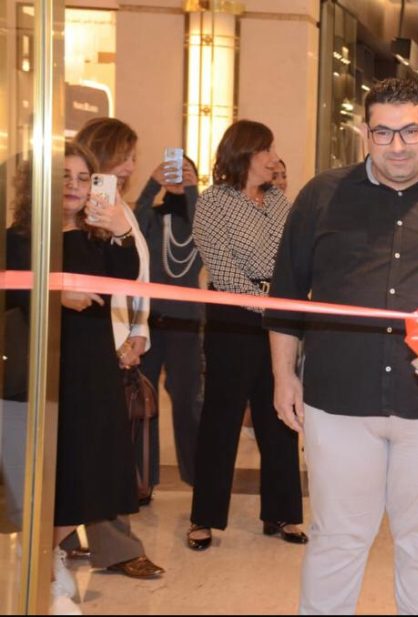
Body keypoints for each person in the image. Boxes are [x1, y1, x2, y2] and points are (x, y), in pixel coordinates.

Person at [266, 77, 418, 614]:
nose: (397, 146)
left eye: (410, 132)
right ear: (364, 133)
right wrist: (284, 376)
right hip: (338, 401)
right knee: (337, 538)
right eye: (383, 133)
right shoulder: (321, 196)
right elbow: (286, 293)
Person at [8, 144, 141, 614]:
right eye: (64, 176)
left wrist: (120, 228)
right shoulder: (19, 238)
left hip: (93, 370)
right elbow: (12, 293)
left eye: (84, 178)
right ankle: (44, 569)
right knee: (57, 473)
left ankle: (41, 553)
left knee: (98, 473)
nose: (74, 186)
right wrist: (55, 296)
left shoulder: (97, 238)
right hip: (41, 370)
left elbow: (127, 278)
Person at [187, 120, 304, 550]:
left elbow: (293, 257)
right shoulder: (213, 202)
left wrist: (286, 303)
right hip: (233, 319)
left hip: (278, 316)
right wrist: (265, 302)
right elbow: (221, 267)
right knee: (222, 417)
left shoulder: (279, 201)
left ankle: (282, 513)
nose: (274, 159)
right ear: (244, 154)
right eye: (266, 150)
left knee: (280, 415)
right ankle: (203, 518)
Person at [69, 117, 165, 579]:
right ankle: (110, 545)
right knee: (100, 451)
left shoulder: (116, 207)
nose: (130, 167)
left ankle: (73, 539)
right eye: (124, 157)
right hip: (90, 343)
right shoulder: (84, 212)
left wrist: (138, 332)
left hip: (118, 338)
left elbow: (136, 277)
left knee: (98, 448)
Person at [134, 155, 203, 487]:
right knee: (142, 400)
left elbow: (208, 235)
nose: (177, 176)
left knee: (187, 402)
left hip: (186, 323)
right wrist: (152, 184)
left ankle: (196, 479)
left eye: (184, 171)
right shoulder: (151, 218)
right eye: (172, 171)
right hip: (149, 323)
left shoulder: (199, 222)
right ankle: (142, 479)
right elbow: (130, 230)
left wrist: (192, 190)